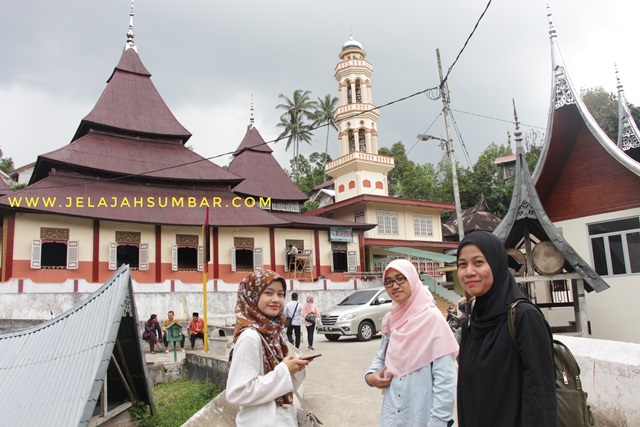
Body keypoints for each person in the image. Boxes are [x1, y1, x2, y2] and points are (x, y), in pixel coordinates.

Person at [456, 231, 556, 427]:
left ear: (497, 264)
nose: (469, 272)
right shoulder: (471, 322)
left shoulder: (524, 317)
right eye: (462, 265)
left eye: (478, 262)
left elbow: (540, 396)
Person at [365, 259, 458, 427]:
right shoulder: (391, 319)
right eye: (389, 281)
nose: (394, 286)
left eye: (401, 278)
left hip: (422, 413)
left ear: (412, 279)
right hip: (392, 411)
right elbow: (381, 356)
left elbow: (445, 379)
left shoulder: (432, 319)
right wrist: (370, 376)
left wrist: (438, 421)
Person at [226, 270, 311, 426]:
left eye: (280, 294)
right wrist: (284, 370)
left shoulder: (273, 333)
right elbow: (238, 392)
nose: (276, 300)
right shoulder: (250, 337)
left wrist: (294, 369)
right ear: (252, 296)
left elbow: (281, 387)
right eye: (269, 293)